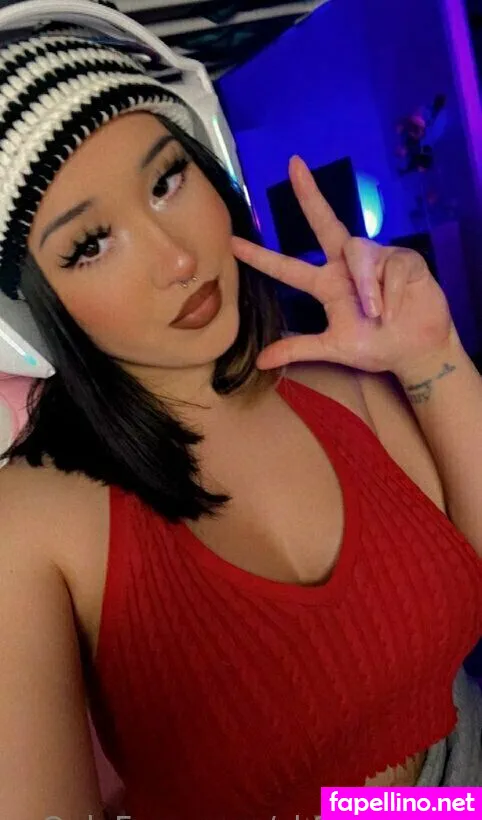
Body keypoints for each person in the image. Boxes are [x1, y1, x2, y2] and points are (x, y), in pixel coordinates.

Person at [0, 8, 481, 820]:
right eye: (90, 244)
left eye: (167, 181)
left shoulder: (346, 385)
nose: (178, 257)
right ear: (31, 313)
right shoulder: (30, 520)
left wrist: (433, 355)